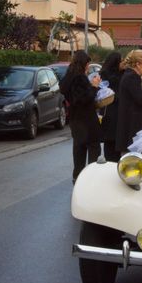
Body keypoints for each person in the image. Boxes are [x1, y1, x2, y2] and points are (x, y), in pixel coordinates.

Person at [59, 50, 102, 183]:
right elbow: (83, 98)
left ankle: (77, 175)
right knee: (94, 146)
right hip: (86, 118)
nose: (88, 66)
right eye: (87, 63)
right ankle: (90, 177)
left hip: (75, 118)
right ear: (83, 63)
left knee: (79, 147)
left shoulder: (68, 77)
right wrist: (94, 87)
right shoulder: (80, 78)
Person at [99, 51, 123, 162]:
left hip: (107, 112)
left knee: (110, 143)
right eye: (121, 61)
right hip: (112, 112)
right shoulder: (113, 76)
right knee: (113, 143)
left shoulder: (103, 74)